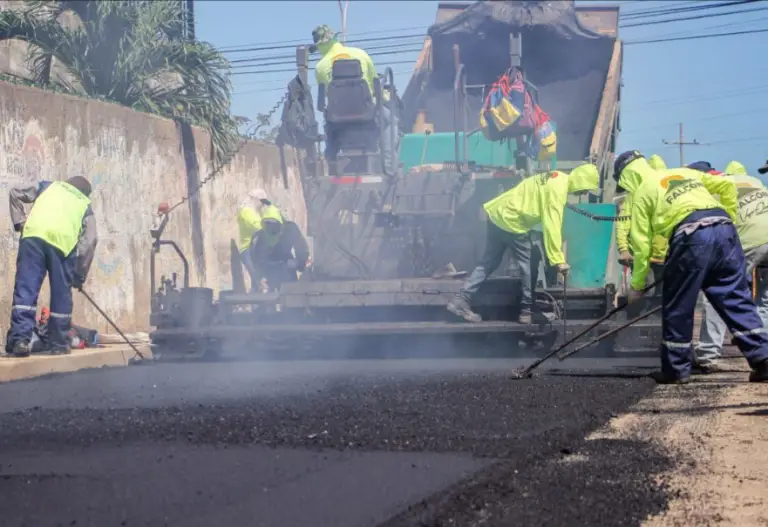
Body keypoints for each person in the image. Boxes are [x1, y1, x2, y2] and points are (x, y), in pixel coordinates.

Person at [614, 150, 768, 383]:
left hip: (691, 237)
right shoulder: (683, 173)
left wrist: (636, 287)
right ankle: (763, 359)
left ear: (626, 177)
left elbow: (642, 245)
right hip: (724, 231)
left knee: (679, 303)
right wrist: (729, 220)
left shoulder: (643, 192)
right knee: (734, 298)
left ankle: (676, 370)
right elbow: (727, 187)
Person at [447, 164, 600, 325]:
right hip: (513, 221)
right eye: (586, 189)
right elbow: (552, 224)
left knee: (488, 262)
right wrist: (558, 260)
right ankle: (527, 311)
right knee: (529, 263)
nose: (584, 193)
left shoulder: (556, 176)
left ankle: (460, 300)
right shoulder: (558, 190)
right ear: (582, 181)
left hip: (498, 214)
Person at [5, 177, 98, 357]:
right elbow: (89, 242)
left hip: (32, 239)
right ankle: (58, 344)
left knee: (26, 290)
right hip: (62, 247)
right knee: (61, 295)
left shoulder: (47, 186)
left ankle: (20, 341)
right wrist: (79, 276)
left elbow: (15, 192)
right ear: (86, 193)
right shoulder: (84, 204)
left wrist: (20, 223)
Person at [693, 161, 768, 372]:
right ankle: (765, 354)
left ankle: (707, 356)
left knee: (719, 293)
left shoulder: (710, 190)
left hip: (751, 240)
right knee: (765, 297)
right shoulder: (752, 180)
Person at [311, 24, 398, 174]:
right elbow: (374, 83)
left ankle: (331, 164)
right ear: (334, 39)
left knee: (328, 126)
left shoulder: (319, 68)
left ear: (320, 45)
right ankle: (389, 166)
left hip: (338, 119)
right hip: (368, 114)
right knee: (390, 120)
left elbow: (327, 96)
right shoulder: (361, 54)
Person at [615, 153, 668, 294]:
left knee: (649, 296)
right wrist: (624, 249)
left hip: (657, 257)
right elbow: (623, 222)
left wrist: (623, 249)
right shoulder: (636, 194)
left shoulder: (640, 192)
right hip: (650, 257)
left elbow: (623, 224)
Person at [250, 205, 310, 292]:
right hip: (268, 272)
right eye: (268, 224)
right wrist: (261, 276)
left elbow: (301, 248)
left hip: (287, 271)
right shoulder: (259, 236)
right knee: (266, 301)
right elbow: (255, 257)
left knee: (290, 298)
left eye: (273, 224)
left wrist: (299, 263)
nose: (271, 227)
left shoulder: (290, 229)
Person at [237, 188, 268, 292]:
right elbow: (257, 226)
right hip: (247, 250)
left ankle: (258, 307)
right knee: (258, 279)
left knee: (257, 281)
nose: (263, 205)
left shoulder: (256, 212)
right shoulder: (246, 211)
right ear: (256, 200)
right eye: (262, 202)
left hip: (255, 250)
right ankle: (258, 305)